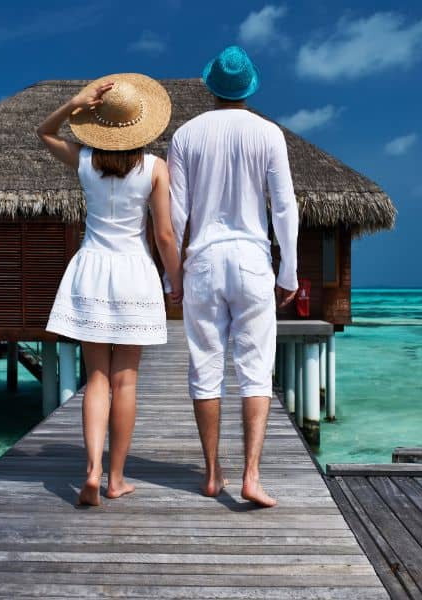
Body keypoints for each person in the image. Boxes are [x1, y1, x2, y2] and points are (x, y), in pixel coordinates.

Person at [37, 73, 183, 506]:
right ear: (141, 124)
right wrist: (176, 281)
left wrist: (74, 103)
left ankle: (92, 470)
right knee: (126, 381)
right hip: (135, 274)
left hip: (91, 271)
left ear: (100, 123)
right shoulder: (155, 168)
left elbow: (43, 131)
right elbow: (165, 235)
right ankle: (116, 478)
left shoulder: (84, 161)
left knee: (96, 379)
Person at [166, 47, 299, 508]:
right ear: (250, 88)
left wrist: (173, 278)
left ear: (211, 87)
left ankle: (210, 472)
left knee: (205, 370)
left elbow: (175, 213)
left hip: (202, 260)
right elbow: (284, 208)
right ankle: (251, 476)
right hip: (250, 260)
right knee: (255, 372)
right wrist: (290, 272)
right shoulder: (269, 134)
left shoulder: (186, 135)